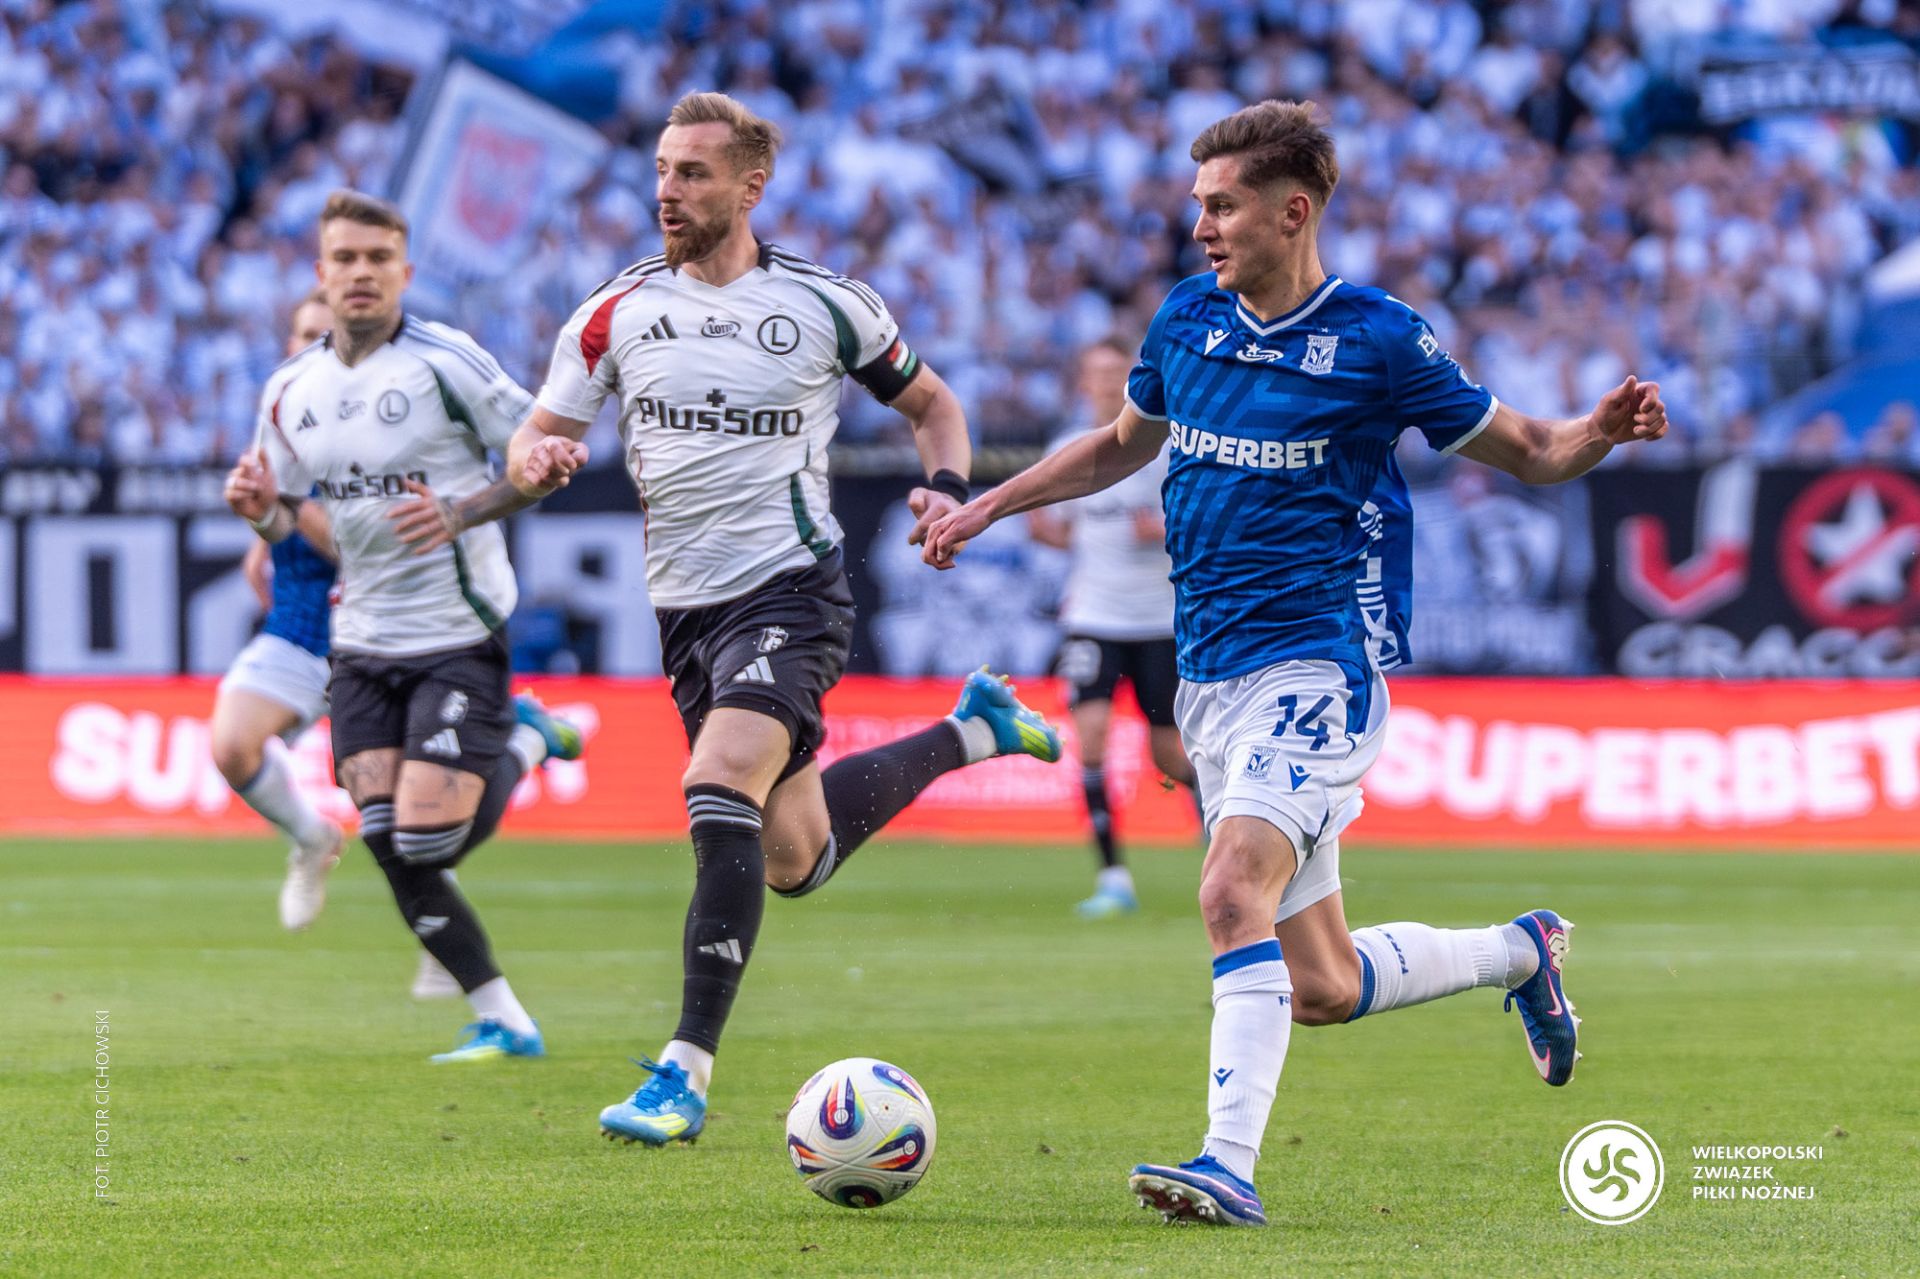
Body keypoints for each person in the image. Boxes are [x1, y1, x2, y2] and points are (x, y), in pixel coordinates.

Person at [921, 100, 1668, 1227]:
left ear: (1293, 211)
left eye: (1222, 206)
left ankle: (1227, 1163)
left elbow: (1531, 451)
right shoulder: (1187, 319)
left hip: (1317, 668)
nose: (1201, 227)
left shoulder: (1378, 338)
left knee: (1231, 891)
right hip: (1209, 679)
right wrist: (989, 504)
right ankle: (1523, 951)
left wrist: (1599, 429)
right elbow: (1118, 447)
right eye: (1199, 205)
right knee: (1320, 984)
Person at [499, 92, 1064, 1145]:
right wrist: (537, 461)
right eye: (662, 170)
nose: (668, 191)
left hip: (792, 591)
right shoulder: (613, 311)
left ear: (751, 186)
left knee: (717, 781)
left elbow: (934, 405)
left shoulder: (825, 305)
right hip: (685, 611)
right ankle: (972, 731)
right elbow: (532, 439)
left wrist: (944, 487)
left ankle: (683, 1072)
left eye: (693, 173)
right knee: (792, 856)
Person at [223, 190, 584, 1064]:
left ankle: (525, 741)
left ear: (404, 271)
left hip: (457, 628)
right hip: (360, 638)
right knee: (389, 839)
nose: (361, 273)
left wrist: (467, 509)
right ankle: (504, 1016)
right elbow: (290, 517)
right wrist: (259, 510)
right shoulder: (291, 391)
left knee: (426, 839)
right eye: (345, 258)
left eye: (378, 258)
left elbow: (533, 453)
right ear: (321, 272)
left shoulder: (446, 361)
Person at [1027, 337, 1199, 919]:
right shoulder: (1067, 448)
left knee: (1170, 757)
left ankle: (1222, 837)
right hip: (1092, 619)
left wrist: (1166, 534)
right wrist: (1059, 537)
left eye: (1115, 371)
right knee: (1092, 738)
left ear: (1132, 377)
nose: (1105, 382)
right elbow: (1055, 527)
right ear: (1082, 382)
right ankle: (1113, 878)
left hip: (1158, 622)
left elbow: (1202, 526)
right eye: (1095, 373)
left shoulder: (1167, 447)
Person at [210, 290, 344, 932]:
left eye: (327, 334)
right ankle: (313, 838)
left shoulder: (381, 422)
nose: (313, 345)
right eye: (304, 333)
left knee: (411, 815)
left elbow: (361, 548)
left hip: (383, 634)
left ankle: (520, 729)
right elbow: (273, 516)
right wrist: (259, 527)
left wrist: (279, 508)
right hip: (300, 625)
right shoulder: (280, 420)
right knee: (232, 746)